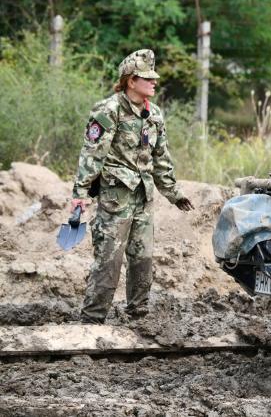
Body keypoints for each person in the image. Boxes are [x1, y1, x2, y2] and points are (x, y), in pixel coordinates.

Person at [70, 49, 194, 324]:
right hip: (115, 198)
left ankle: (138, 319)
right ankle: (92, 321)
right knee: (109, 260)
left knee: (143, 260)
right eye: (147, 78)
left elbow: (161, 158)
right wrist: (80, 194)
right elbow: (92, 155)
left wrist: (174, 193)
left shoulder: (154, 115)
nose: (154, 82)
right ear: (130, 81)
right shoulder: (108, 111)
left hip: (143, 197)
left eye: (153, 78)